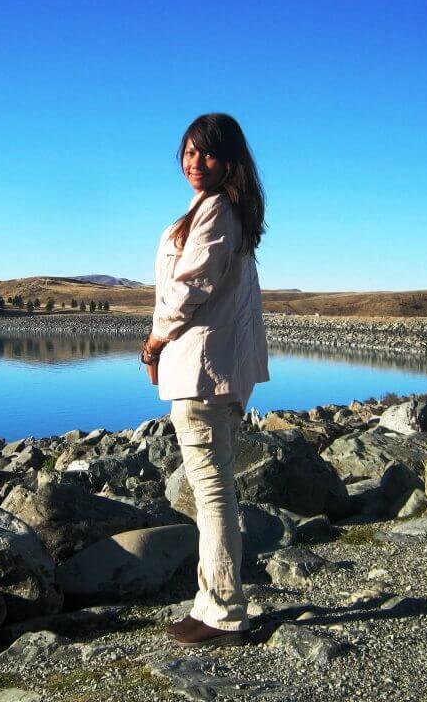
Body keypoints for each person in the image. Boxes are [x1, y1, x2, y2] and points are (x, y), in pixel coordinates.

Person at [140, 113, 270, 647]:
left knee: (212, 492)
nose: (195, 163)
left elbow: (188, 289)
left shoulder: (216, 211)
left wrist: (152, 342)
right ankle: (211, 602)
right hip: (207, 369)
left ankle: (224, 612)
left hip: (200, 372)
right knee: (213, 489)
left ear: (229, 160)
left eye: (207, 154)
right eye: (189, 153)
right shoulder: (221, 209)